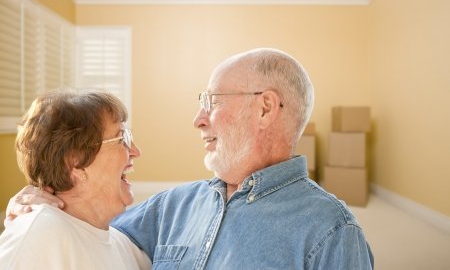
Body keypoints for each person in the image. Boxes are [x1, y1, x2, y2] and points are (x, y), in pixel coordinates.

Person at [5, 48, 374, 269]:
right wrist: (40, 198)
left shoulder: (333, 232)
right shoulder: (172, 207)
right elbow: (90, 234)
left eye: (211, 102)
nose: (198, 120)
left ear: (264, 108)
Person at [0, 90, 151, 269]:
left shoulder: (123, 244)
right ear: (75, 161)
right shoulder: (40, 234)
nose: (135, 151)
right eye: (122, 138)